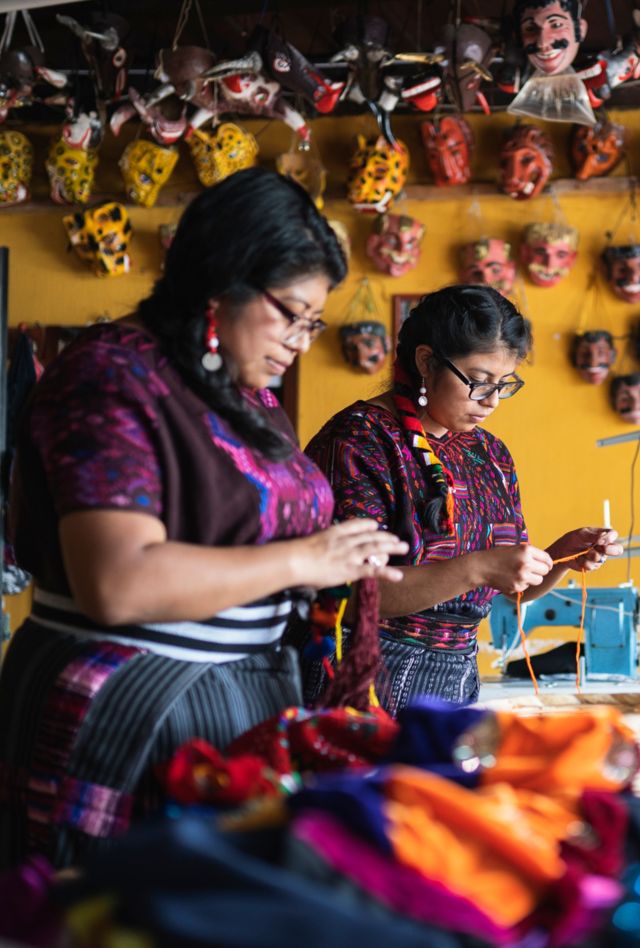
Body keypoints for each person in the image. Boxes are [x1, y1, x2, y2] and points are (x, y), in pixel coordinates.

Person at [0, 167, 407, 870]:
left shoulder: (240, 393)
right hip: (134, 710)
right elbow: (117, 583)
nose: (304, 340)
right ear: (222, 283)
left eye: (315, 322)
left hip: (239, 700)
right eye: (292, 313)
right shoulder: (109, 378)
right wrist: (310, 561)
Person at [298, 284, 622, 713]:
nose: (491, 401)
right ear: (426, 361)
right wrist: (476, 568)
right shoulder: (360, 440)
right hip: (363, 677)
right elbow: (347, 593)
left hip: (455, 679)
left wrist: (558, 558)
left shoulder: (489, 454)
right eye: (479, 382)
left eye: (504, 385)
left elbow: (503, 588)